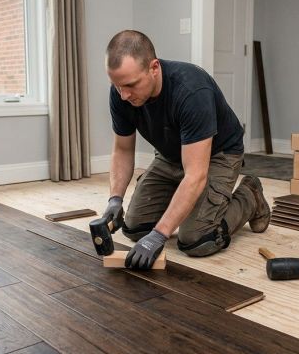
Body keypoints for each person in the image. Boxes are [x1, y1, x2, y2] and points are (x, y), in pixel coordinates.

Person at [101, 30, 270, 269]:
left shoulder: (191, 91)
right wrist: (115, 200)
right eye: (117, 85)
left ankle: (249, 196)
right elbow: (123, 150)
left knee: (197, 240)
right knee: (135, 229)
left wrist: (160, 234)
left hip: (217, 155)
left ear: (154, 68)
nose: (124, 94)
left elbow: (195, 174)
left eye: (130, 85)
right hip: (171, 155)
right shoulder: (121, 93)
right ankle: (182, 202)